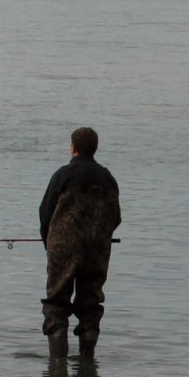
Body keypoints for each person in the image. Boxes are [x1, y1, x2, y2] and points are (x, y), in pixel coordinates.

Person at [40, 125, 123, 356]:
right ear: (94, 149)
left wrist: (49, 243)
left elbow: (45, 212)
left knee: (56, 303)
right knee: (90, 305)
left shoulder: (63, 175)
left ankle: (57, 367)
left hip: (63, 249)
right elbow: (116, 217)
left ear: (73, 147)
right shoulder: (108, 178)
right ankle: (87, 363)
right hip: (97, 251)